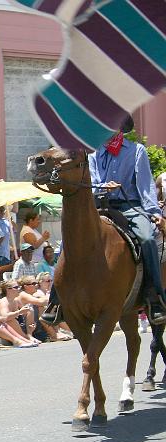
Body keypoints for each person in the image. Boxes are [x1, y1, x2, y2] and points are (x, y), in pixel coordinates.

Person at [88, 113, 165, 323]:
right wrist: (102, 187)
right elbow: (93, 181)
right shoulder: (93, 153)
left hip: (128, 206)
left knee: (148, 239)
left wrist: (154, 213)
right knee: (71, 238)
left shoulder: (136, 151)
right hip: (100, 207)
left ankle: (154, 296)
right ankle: (57, 299)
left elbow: (145, 185)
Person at [0, 279, 40, 346]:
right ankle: (23, 339)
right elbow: (5, 317)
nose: (19, 289)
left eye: (19, 287)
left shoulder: (15, 300)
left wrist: (30, 328)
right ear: (8, 289)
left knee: (30, 310)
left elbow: (23, 313)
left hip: (12, 326)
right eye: (16, 287)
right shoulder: (4, 301)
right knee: (11, 320)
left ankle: (28, 336)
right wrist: (19, 312)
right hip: (1, 327)